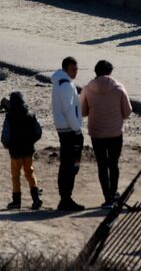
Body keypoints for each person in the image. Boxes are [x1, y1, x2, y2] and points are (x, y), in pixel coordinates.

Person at [81, 59, 133, 207]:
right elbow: (127, 112)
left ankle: (107, 197)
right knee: (113, 164)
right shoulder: (118, 88)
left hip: (97, 132)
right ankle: (114, 191)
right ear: (110, 72)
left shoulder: (87, 88)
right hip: (115, 132)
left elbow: (83, 111)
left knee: (102, 165)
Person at [51, 56, 85, 212]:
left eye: (76, 69)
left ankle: (65, 198)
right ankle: (66, 199)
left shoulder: (61, 83)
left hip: (65, 130)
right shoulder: (65, 86)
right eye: (72, 69)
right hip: (69, 131)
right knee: (70, 165)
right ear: (65, 69)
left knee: (67, 164)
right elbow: (69, 110)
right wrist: (77, 130)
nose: (75, 72)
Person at [0, 91, 44, 210]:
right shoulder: (30, 115)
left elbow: (5, 136)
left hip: (15, 152)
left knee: (15, 175)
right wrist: (31, 142)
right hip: (28, 150)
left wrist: (8, 146)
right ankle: (36, 198)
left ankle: (16, 201)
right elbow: (38, 132)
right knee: (29, 173)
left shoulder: (9, 116)